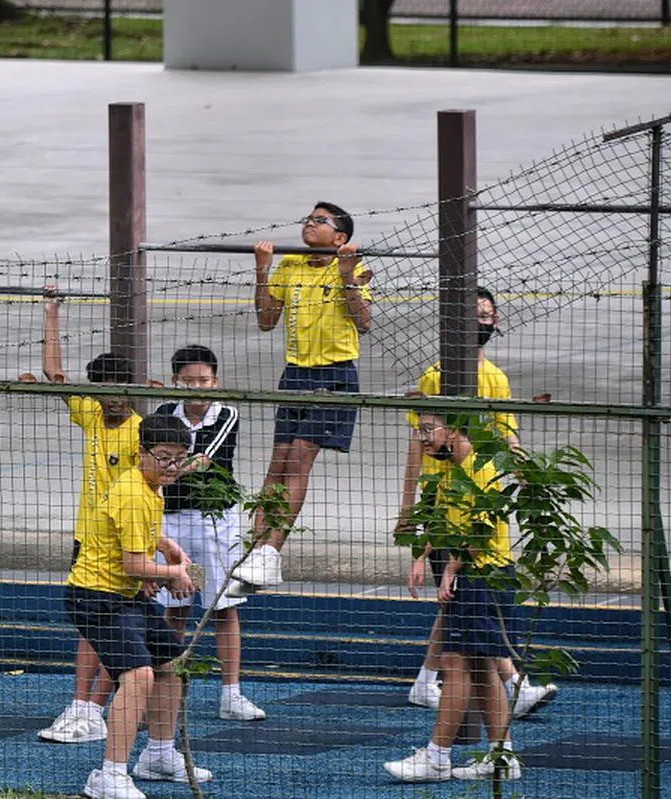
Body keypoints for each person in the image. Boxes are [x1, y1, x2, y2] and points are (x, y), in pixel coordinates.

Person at [399, 288, 558, 719]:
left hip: (479, 494)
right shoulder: (435, 377)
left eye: (486, 315)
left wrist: (527, 478)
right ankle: (510, 681)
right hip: (444, 499)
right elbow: (419, 442)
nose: (480, 323)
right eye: (473, 316)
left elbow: (508, 433)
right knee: (462, 596)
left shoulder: (497, 378)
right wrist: (409, 507)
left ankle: (430, 681)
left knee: (460, 599)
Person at [66, 413, 214, 799]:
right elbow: (133, 564)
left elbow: (142, 535)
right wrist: (175, 571)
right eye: (162, 456)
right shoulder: (133, 491)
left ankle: (159, 755)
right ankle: (109, 776)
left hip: (125, 595)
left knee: (172, 664)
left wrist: (166, 547)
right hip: (95, 597)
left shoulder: (151, 486)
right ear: (140, 453)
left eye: (179, 458)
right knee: (139, 675)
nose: (171, 467)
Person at [22, 287, 142, 744]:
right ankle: (82, 707)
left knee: (120, 627)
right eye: (105, 390)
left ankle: (95, 707)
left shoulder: (140, 432)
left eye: (120, 391)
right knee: (91, 627)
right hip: (87, 540)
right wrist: (52, 313)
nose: (113, 399)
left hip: (124, 544)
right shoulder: (91, 416)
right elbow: (55, 372)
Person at [232, 202, 371, 589]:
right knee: (276, 463)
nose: (309, 224)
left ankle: (272, 551)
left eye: (320, 221)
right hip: (296, 373)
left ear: (340, 237)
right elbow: (265, 320)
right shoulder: (290, 264)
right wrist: (262, 270)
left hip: (335, 374)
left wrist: (345, 275)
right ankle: (256, 553)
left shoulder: (353, 266)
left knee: (298, 458)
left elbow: (364, 321)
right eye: (308, 219)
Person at [383, 411, 522, 783]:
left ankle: (437, 756)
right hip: (478, 576)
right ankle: (502, 757)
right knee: (481, 668)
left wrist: (451, 568)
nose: (423, 439)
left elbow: (480, 528)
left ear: (455, 429)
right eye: (420, 431)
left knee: (456, 663)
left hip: (485, 576)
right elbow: (446, 524)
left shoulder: (480, 469)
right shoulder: (447, 473)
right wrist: (422, 554)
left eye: (429, 430)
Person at [152, 345, 265, 721]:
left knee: (224, 605)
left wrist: (171, 469)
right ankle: (169, 686)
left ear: (216, 381)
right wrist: (170, 469)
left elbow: (202, 459)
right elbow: (161, 460)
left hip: (214, 520)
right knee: (176, 604)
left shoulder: (227, 415)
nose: (198, 388)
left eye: (204, 380)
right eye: (188, 381)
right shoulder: (163, 412)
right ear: (174, 382)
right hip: (172, 518)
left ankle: (231, 693)